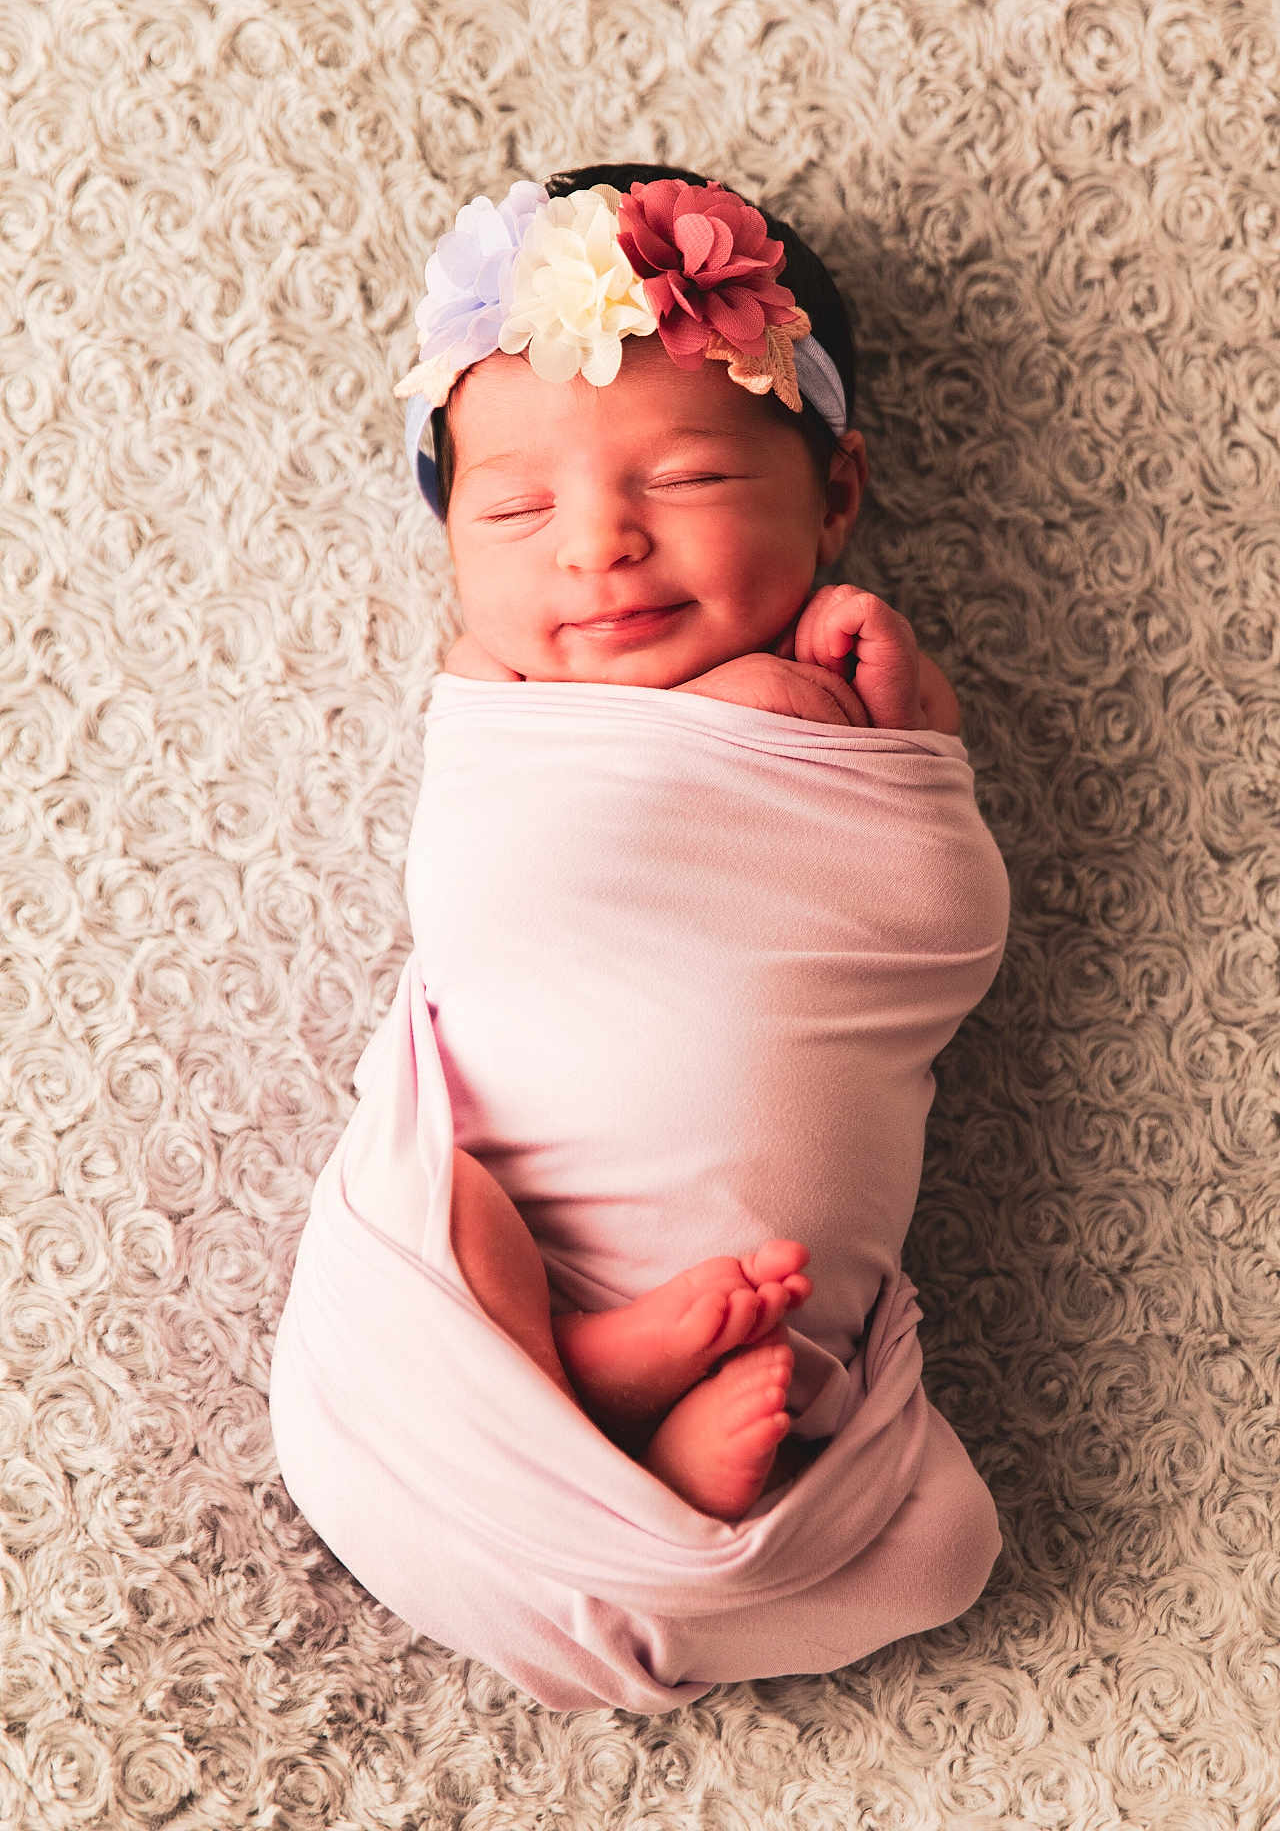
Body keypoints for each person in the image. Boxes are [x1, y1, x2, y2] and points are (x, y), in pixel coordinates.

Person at [268, 164, 1011, 1712]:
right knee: (434, 1208)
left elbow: (935, 936)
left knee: (947, 1551)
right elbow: (493, 876)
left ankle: (643, 1426)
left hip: (791, 1361)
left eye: (678, 480)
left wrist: (909, 740)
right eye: (520, 507)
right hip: (512, 1264)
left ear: (837, 495)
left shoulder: (864, 711)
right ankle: (585, 1372)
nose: (594, 545)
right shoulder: (503, 706)